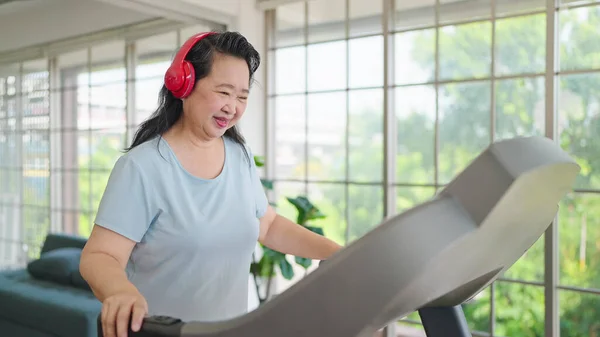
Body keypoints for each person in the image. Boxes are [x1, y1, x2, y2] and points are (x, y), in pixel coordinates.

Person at [79, 31, 342, 337]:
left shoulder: (239, 155)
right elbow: (100, 255)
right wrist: (120, 291)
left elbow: (267, 226)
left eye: (242, 96)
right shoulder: (142, 167)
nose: (233, 106)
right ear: (184, 84)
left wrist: (338, 255)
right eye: (224, 92)